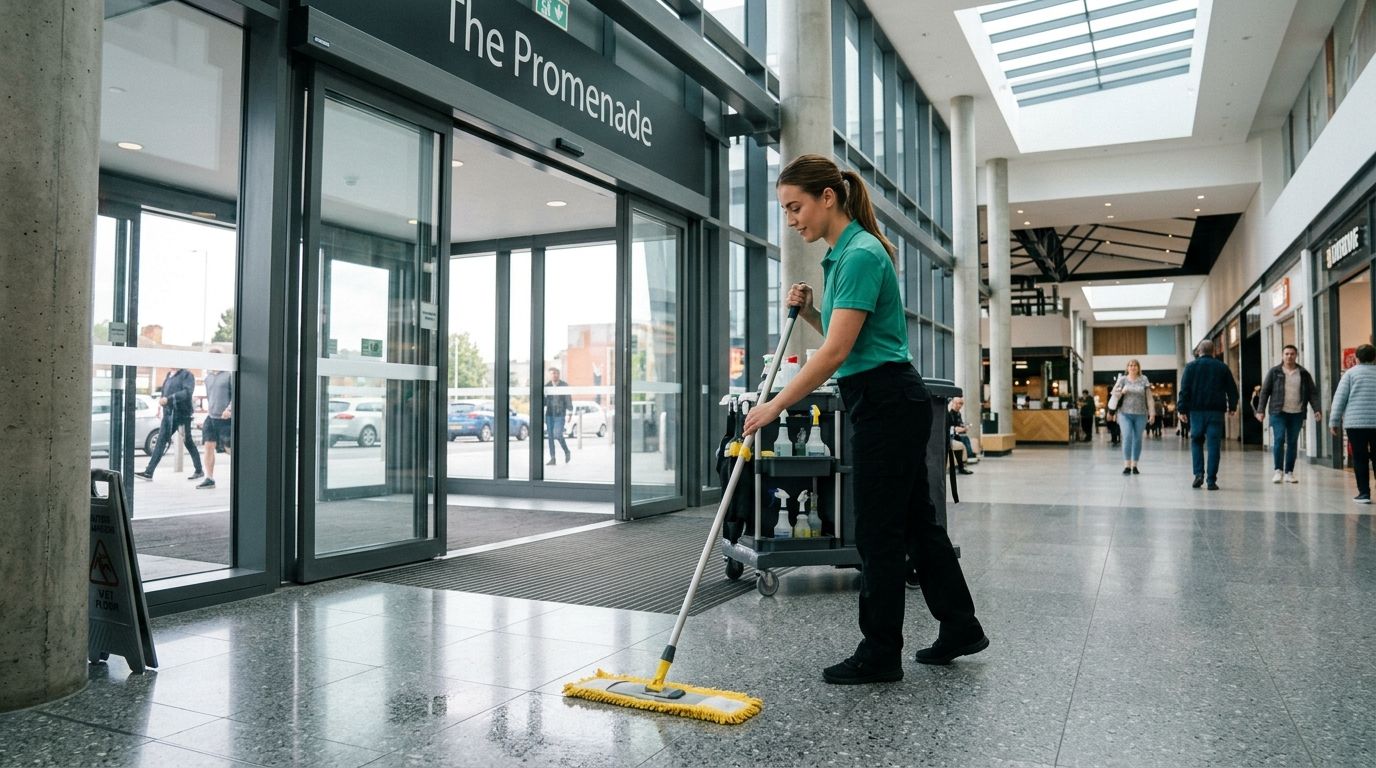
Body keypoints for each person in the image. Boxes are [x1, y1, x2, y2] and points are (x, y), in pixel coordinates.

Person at [742, 154, 985, 685]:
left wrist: (776, 405)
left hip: (885, 401)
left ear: (827, 197)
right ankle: (961, 626)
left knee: (877, 532)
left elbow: (833, 354)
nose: (791, 220)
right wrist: (810, 311)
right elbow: (844, 334)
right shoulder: (846, 254)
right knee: (917, 524)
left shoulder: (858, 255)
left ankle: (880, 651)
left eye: (795, 207)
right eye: (785, 210)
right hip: (885, 399)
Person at [1256, 344, 1322, 484]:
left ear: (1296, 355)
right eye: (1286, 354)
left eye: (1292, 354)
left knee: (1292, 442)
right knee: (1279, 439)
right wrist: (1260, 410)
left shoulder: (1303, 373)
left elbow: (1312, 393)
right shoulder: (1275, 372)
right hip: (1278, 411)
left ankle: (1289, 472)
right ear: (1282, 355)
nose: (1289, 356)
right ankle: (1278, 471)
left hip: (1297, 412)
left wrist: (1317, 409)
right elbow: (1265, 392)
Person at [1177, 339, 1239, 490]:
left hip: (1196, 411)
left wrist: (1182, 409)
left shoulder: (1190, 367)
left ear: (1199, 351)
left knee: (1196, 441)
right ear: (1214, 351)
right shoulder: (1222, 367)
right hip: (1216, 412)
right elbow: (1232, 389)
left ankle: (1198, 474)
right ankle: (1211, 481)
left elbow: (1184, 390)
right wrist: (1232, 406)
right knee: (1214, 445)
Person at [1328, 343, 1376, 503]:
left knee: (1359, 457)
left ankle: (1364, 494)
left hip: (1356, 424)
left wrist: (1333, 420)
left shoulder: (1350, 374)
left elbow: (1339, 398)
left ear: (1356, 358)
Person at [136, 367, 203, 480]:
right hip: (168, 414)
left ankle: (199, 470)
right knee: (161, 441)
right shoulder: (169, 375)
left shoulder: (186, 375)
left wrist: (169, 399)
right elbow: (164, 392)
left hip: (182, 415)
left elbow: (187, 392)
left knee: (188, 442)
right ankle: (149, 472)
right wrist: (160, 407)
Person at [1109, 360, 1156, 475]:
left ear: (1138, 368)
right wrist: (1122, 392)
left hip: (1141, 414)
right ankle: (1127, 465)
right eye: (1130, 365)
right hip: (1125, 413)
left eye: (1135, 365)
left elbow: (1149, 398)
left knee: (1137, 439)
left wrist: (1152, 412)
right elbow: (1114, 395)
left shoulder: (1144, 379)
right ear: (1127, 368)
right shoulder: (1122, 379)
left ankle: (1134, 465)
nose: (1133, 367)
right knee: (1127, 437)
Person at [198, 350, 233, 489]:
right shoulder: (208, 377)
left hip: (225, 419)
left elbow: (236, 394)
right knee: (208, 446)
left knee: (228, 448)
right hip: (211, 417)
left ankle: (246, 471)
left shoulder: (229, 375)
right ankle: (209, 478)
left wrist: (229, 410)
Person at [544, 367, 572, 466]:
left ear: (559, 375)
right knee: (550, 437)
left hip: (560, 414)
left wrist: (570, 412)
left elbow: (568, 399)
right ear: (550, 375)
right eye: (552, 373)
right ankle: (553, 458)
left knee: (557, 434)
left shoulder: (564, 385)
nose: (554, 375)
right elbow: (543, 401)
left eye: (556, 373)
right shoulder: (547, 386)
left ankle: (567, 451)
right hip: (549, 414)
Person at [948, 396, 976, 470]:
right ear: (953, 403)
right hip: (951, 434)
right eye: (958, 403)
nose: (959, 406)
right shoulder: (950, 414)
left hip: (956, 433)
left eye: (961, 404)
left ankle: (969, 457)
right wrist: (962, 429)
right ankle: (970, 456)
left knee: (964, 437)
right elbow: (953, 428)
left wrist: (964, 427)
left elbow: (959, 424)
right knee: (964, 438)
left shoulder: (958, 414)